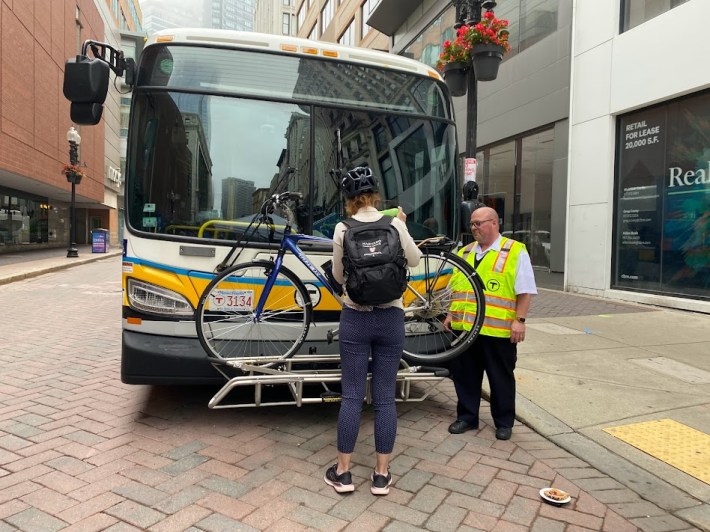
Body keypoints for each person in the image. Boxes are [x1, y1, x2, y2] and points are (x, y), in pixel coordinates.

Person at [324, 167, 422, 496]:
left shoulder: (342, 228)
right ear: (376, 196)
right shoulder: (394, 224)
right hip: (391, 318)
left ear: (350, 200)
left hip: (355, 318)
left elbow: (338, 277)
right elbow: (416, 260)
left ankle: (343, 473)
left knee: (351, 397)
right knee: (384, 400)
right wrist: (403, 227)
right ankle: (380, 476)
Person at [444, 206, 537, 440]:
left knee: (500, 378)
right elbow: (455, 288)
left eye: (479, 223)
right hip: (464, 329)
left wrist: (520, 321)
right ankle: (467, 417)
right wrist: (449, 314)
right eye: (472, 224)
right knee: (465, 375)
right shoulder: (464, 252)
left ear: (494, 223)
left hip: (497, 331)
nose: (474, 228)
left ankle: (504, 422)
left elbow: (525, 291)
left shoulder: (515, 251)